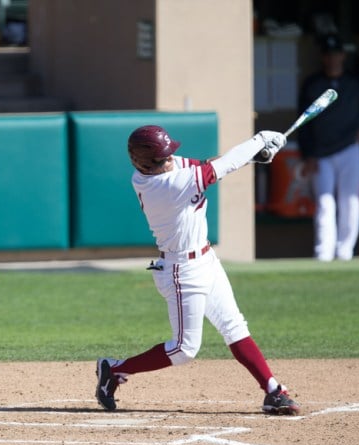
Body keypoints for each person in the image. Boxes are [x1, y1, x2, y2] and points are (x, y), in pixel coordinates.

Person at [95, 125, 301, 415]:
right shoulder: (165, 186)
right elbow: (221, 167)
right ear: (145, 163)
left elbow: (211, 163)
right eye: (164, 157)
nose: (172, 159)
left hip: (206, 260)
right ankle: (115, 369)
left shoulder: (162, 169)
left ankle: (274, 391)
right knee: (184, 349)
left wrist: (255, 155)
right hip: (181, 270)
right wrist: (259, 141)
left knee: (234, 326)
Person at [297, 34, 359, 261]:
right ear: (323, 57)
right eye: (327, 55)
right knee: (325, 203)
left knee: (350, 201)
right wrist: (308, 155)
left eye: (335, 54)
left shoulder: (355, 82)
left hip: (349, 148)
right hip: (321, 154)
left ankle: (345, 251)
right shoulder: (313, 84)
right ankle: (324, 254)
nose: (332, 59)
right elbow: (303, 123)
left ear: (343, 55)